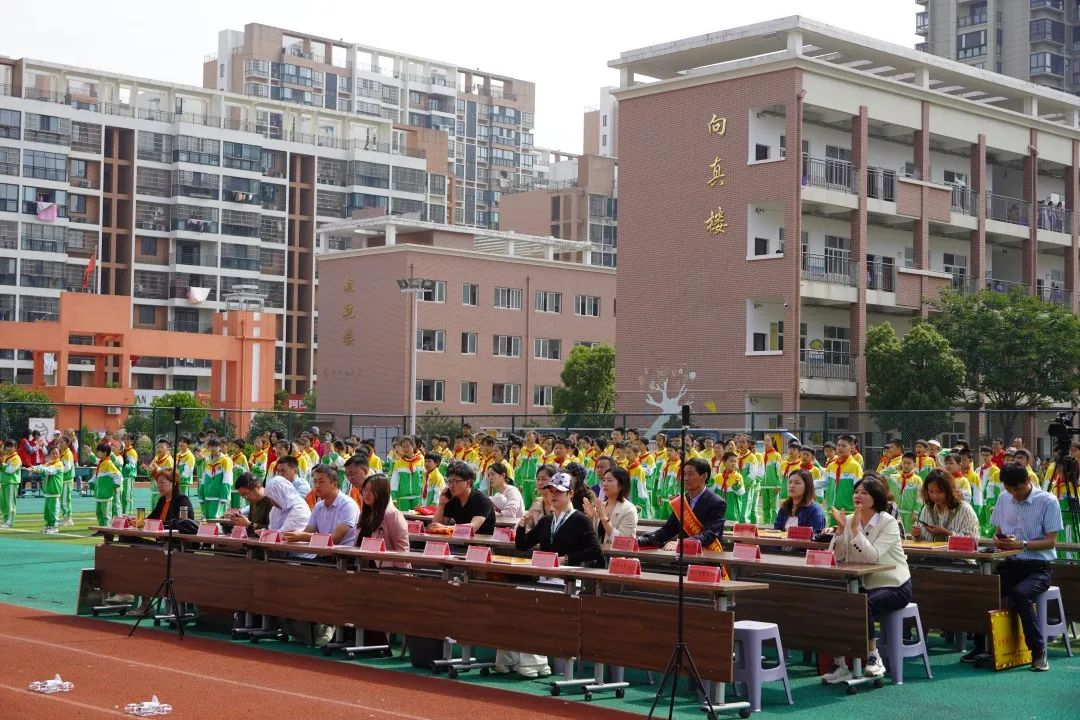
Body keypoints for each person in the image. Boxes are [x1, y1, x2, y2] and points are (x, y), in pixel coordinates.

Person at [964, 464, 1063, 671]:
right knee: (984, 589)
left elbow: (1051, 542)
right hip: (1010, 563)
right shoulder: (1004, 498)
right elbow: (998, 532)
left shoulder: (1048, 501)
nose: (1014, 495)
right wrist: (999, 540)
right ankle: (982, 646)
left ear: (1028, 481)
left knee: (1020, 594)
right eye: (1010, 490)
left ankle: (1038, 652)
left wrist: (1022, 544)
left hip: (1039, 568)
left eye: (1017, 489)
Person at [824, 472, 911, 683]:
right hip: (862, 583)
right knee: (836, 604)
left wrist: (855, 532)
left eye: (864, 492)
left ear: (876, 497)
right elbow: (836, 557)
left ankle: (874, 657)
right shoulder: (849, 520)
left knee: (863, 604)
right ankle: (841, 664)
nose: (858, 496)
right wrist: (840, 531)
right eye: (856, 492)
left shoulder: (888, 522)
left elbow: (874, 557)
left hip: (894, 584)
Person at [515, 471, 604, 568]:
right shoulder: (546, 521)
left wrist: (565, 559)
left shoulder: (580, 519)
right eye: (551, 491)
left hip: (569, 575)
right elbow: (522, 546)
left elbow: (595, 550)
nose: (553, 495)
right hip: (544, 572)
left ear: (570, 493)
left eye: (559, 491)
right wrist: (521, 527)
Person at [638, 458, 726, 551]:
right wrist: (643, 539)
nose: (686, 478)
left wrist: (682, 544)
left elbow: (709, 534)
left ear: (704, 476)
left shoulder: (717, 503)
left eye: (690, 474)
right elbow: (668, 529)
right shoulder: (682, 501)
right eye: (684, 474)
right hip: (681, 554)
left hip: (706, 554)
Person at [284, 464, 360, 547]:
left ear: (334, 484)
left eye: (321, 481)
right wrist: (292, 535)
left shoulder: (347, 505)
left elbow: (335, 539)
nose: (316, 486)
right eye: (315, 482)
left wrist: (302, 536)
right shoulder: (319, 506)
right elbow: (308, 531)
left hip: (344, 554)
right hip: (323, 552)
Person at [911, 469, 980, 541]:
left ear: (949, 490)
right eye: (931, 491)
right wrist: (917, 535)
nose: (935, 496)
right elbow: (923, 540)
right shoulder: (926, 510)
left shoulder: (965, 510)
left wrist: (946, 533)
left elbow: (973, 540)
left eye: (939, 492)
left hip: (955, 549)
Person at [430, 461, 496, 535]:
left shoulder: (482, 500)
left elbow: (473, 528)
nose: (451, 485)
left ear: (468, 483)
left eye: (455, 482)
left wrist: (446, 528)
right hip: (459, 540)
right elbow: (435, 526)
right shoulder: (452, 499)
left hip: (481, 541)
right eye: (449, 481)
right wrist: (441, 504)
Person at [356, 473, 410, 555]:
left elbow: (402, 550)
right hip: (361, 561)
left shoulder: (393, 515)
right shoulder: (364, 514)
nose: (367, 493)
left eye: (372, 490)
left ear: (382, 493)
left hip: (383, 562)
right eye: (365, 489)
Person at [583, 466, 638, 542]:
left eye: (609, 480)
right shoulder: (601, 506)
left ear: (622, 485)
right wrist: (591, 519)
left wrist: (604, 518)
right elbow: (594, 538)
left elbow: (623, 541)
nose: (604, 484)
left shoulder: (629, 509)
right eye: (604, 480)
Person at [199, 438, 234, 520]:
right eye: (211, 446)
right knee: (207, 520)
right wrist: (201, 494)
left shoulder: (225, 460)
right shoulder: (207, 461)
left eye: (216, 446)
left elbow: (227, 479)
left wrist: (224, 496)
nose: (213, 448)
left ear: (220, 447)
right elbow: (203, 479)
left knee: (218, 520)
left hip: (219, 497)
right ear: (208, 447)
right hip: (207, 496)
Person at [91, 442, 122, 526]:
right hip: (99, 494)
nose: (97, 453)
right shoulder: (102, 463)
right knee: (99, 513)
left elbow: (118, 475)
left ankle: (107, 529)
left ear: (105, 453)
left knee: (106, 514)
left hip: (106, 494)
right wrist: (89, 484)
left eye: (99, 451)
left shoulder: (108, 463)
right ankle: (102, 528)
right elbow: (97, 476)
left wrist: (114, 486)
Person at [1, 439, 22, 528]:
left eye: (11, 446)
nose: (9, 448)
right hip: (4, 482)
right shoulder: (6, 457)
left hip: (12, 482)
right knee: (4, 503)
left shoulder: (16, 458)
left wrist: (2, 465)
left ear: (15, 448)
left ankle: (10, 522)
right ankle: (6, 520)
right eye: (7, 446)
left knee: (10, 503)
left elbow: (10, 470)